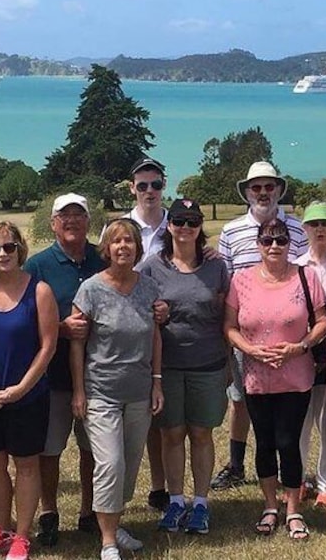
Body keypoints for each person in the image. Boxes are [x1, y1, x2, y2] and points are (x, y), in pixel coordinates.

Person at [224, 219, 326, 540]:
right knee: (265, 441)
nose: (274, 246)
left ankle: (293, 509)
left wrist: (301, 346)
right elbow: (229, 326)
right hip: (256, 376)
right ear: (258, 244)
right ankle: (271, 505)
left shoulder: (305, 276)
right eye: (267, 240)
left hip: (296, 374)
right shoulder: (241, 280)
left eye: (280, 240)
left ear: (289, 244)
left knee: (288, 441)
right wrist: (250, 350)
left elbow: (323, 321)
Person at [69, 218, 164, 560]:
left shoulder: (149, 288)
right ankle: (107, 540)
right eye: (116, 241)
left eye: (129, 241)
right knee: (110, 463)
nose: (123, 246)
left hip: (139, 392)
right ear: (106, 249)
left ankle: (116, 522)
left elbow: (154, 336)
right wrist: (79, 391)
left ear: (138, 248)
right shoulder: (91, 289)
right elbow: (78, 344)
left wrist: (156, 382)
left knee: (129, 463)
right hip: (101, 392)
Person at [0, 221, 58, 560]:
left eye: (9, 246)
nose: (2, 253)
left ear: (20, 248)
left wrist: (21, 388)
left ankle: (21, 536)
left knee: (27, 465)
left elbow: (48, 347)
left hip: (28, 396)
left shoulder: (39, 291)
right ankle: (1, 528)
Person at [22, 193, 111, 546]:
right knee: (51, 448)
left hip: (100, 372)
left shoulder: (101, 259)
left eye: (79, 215)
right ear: (53, 223)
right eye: (64, 216)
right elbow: (22, 316)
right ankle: (49, 513)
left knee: (93, 448)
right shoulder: (38, 265)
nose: (72, 221)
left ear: (89, 222)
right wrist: (59, 328)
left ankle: (89, 511)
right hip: (53, 374)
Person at [213, 161, 308, 491]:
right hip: (246, 333)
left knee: (287, 404)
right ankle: (237, 465)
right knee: (240, 400)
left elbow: (307, 275)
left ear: (279, 190)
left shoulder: (296, 229)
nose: (264, 193)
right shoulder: (232, 230)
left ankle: (290, 467)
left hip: (288, 335)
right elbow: (223, 281)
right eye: (257, 187)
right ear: (247, 192)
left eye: (270, 187)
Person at [139, 199, 230, 534]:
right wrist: (154, 312)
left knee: (202, 433)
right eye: (179, 221)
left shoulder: (216, 267)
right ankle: (176, 500)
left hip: (208, 363)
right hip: (168, 365)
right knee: (171, 433)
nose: (186, 227)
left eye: (193, 221)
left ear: (200, 226)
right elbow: (138, 306)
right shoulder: (152, 266)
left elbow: (226, 315)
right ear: (170, 226)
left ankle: (201, 503)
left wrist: (229, 362)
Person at [100, 157, 171, 512]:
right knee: (136, 416)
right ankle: (115, 499)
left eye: (155, 184)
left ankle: (159, 486)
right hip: (125, 335)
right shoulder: (118, 229)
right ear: (131, 188)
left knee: (156, 415)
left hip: (166, 330)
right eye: (142, 185)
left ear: (164, 186)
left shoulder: (177, 225)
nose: (149, 191)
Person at [295, 202, 326, 508]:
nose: (319, 229)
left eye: (325, 224)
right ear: (305, 229)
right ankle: (297, 479)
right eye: (314, 224)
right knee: (300, 421)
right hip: (303, 351)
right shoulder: (296, 265)